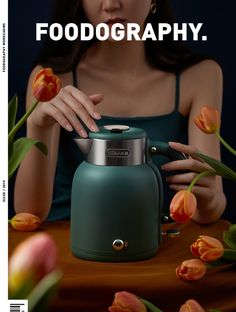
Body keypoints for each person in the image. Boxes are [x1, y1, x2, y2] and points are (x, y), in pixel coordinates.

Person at [14, 0, 226, 224]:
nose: (111, 4)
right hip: (64, 246)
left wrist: (208, 199)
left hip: (155, 246)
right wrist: (39, 126)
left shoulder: (200, 76)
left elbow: (211, 207)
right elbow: (29, 214)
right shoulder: (51, 79)